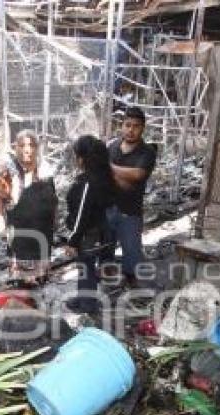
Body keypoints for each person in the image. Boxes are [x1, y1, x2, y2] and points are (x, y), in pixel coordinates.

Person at [0, 130, 58, 281]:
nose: (27, 149)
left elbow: (53, 200)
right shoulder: (7, 173)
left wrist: (55, 220)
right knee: (22, 281)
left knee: (41, 279)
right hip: (19, 235)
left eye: (31, 145)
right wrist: (0, 222)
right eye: (22, 145)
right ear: (15, 147)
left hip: (43, 233)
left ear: (37, 148)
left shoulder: (45, 171)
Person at [104, 106, 157, 287]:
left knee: (132, 251)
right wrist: (121, 178)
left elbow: (137, 175)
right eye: (127, 125)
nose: (131, 130)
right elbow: (113, 179)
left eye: (136, 126)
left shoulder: (147, 151)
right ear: (122, 125)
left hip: (131, 211)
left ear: (143, 128)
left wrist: (109, 168)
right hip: (108, 207)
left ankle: (131, 282)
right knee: (105, 247)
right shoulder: (112, 147)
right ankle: (108, 280)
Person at [63, 136, 114, 314]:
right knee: (88, 268)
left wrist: (72, 241)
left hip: (89, 235)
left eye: (77, 155)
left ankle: (88, 305)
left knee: (86, 269)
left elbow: (81, 216)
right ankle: (84, 297)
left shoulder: (87, 183)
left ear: (82, 159)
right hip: (102, 231)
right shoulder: (104, 176)